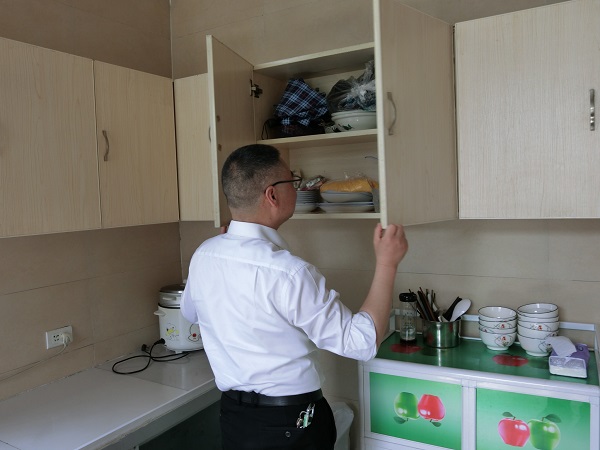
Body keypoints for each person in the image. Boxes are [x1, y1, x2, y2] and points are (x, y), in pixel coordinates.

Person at [181, 144, 408, 450]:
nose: (297, 188)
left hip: (235, 419)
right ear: (272, 195)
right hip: (291, 425)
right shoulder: (289, 272)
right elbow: (360, 342)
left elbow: (190, 313)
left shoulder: (204, 254)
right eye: (293, 181)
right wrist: (387, 264)